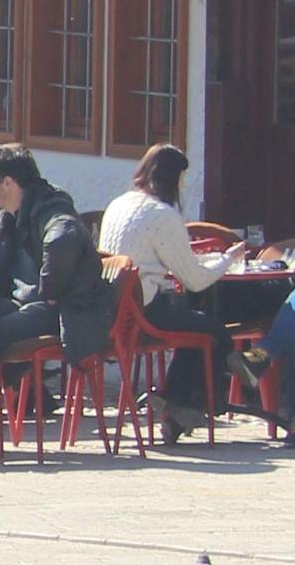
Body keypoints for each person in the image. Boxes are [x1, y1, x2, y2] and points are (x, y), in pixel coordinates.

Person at [0, 145, 107, 467]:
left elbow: (64, 237)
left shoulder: (52, 209)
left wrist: (50, 291)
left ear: (8, 183)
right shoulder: (4, 218)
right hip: (19, 305)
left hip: (62, 310)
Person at [101, 142, 244, 438]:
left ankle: (175, 406)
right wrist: (228, 259)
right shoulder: (161, 215)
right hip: (144, 312)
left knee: (194, 324)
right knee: (214, 331)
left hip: (111, 310)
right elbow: (195, 280)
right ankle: (198, 405)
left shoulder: (119, 204)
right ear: (172, 179)